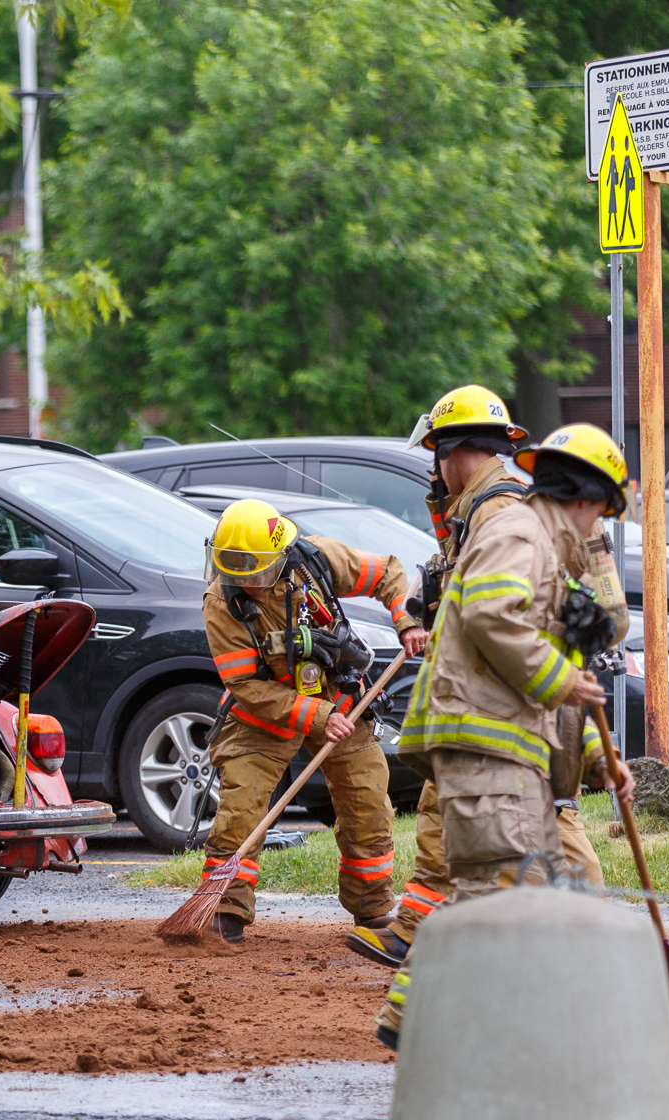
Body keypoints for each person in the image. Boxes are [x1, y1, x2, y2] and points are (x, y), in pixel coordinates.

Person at [349, 388, 627, 968]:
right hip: (496, 715)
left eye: (436, 458)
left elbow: (505, 618)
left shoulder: (502, 516)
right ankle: (430, 958)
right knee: (483, 856)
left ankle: (579, 961)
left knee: (536, 850)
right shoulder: (493, 512)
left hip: (511, 718)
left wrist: (582, 729)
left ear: (451, 450)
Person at [197, 498, 428, 943]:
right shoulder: (220, 602)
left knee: (367, 803)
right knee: (241, 806)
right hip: (262, 713)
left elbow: (388, 571)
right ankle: (225, 909)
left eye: (256, 571)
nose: (247, 582)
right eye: (234, 569)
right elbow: (246, 685)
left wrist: (407, 621)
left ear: (281, 556)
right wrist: (317, 716)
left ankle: (373, 909)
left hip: (340, 699)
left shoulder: (315, 561)